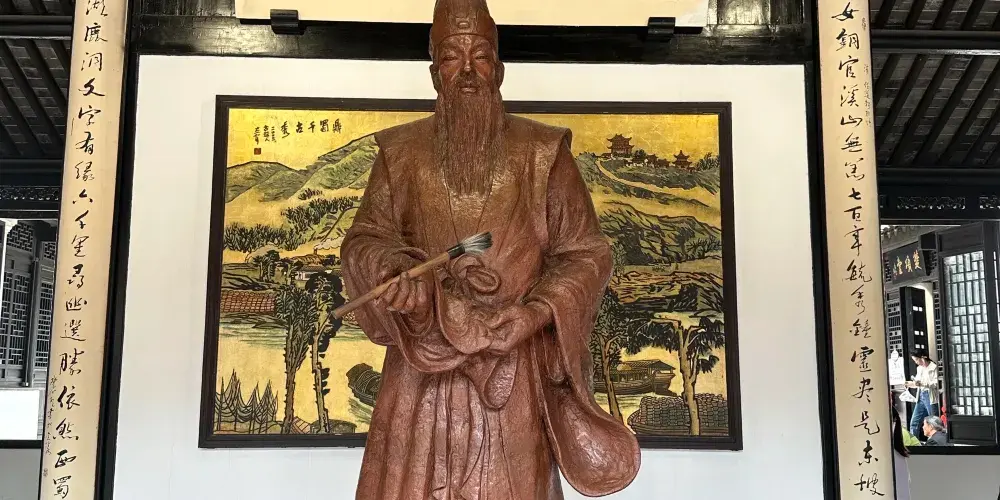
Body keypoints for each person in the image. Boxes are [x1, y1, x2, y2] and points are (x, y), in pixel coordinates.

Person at [339, 0, 641, 498]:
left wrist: (534, 313)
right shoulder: (399, 153)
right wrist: (396, 271)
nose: (467, 71)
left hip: (513, 370)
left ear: (498, 70)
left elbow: (586, 254)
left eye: (479, 55)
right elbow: (365, 240)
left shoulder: (543, 152)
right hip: (421, 374)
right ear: (435, 74)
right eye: (451, 57)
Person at [905, 353, 939, 440]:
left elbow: (936, 384)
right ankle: (914, 443)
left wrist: (922, 384)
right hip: (921, 396)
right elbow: (917, 383)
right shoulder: (919, 368)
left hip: (930, 395)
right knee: (914, 422)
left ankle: (934, 442)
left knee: (933, 423)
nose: (916, 362)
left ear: (923, 357)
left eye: (917, 359)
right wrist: (910, 384)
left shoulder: (934, 367)